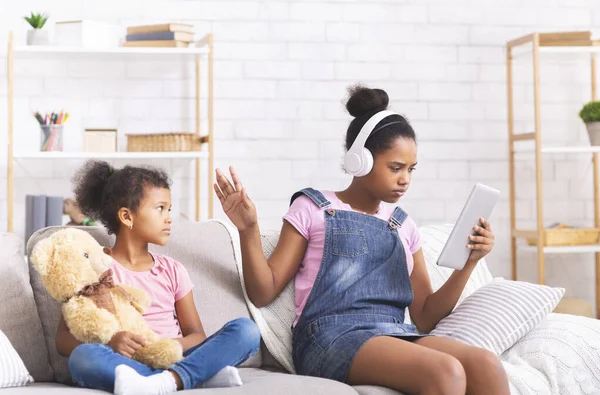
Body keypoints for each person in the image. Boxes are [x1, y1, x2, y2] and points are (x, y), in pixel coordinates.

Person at [214, 85, 510, 395]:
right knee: (446, 371)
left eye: (411, 169)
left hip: (395, 334)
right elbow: (264, 291)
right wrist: (248, 229)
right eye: (395, 168)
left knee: (487, 365)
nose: (405, 179)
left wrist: (469, 262)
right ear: (360, 160)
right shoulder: (313, 207)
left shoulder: (404, 226)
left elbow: (426, 315)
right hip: (329, 337)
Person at [55, 160, 261, 395]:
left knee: (247, 330)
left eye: (169, 209)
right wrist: (110, 341)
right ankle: (191, 377)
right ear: (127, 216)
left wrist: (169, 346)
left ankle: (166, 380)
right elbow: (62, 340)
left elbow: (196, 335)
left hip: (174, 356)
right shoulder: (94, 266)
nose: (169, 217)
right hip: (125, 361)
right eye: (160, 208)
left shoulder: (173, 270)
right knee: (82, 357)